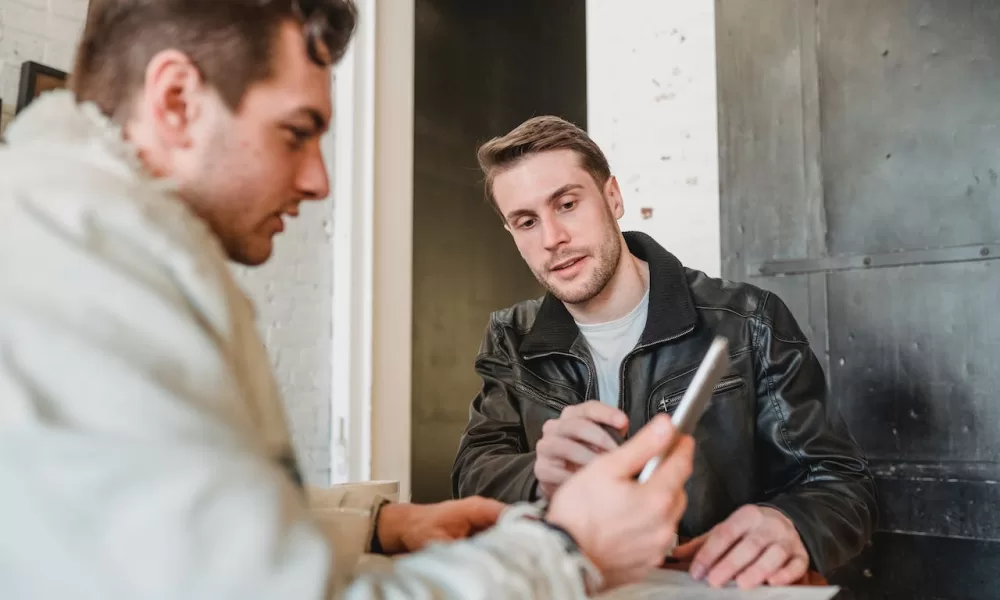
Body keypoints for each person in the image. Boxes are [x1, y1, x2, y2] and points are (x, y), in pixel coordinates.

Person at [0, 1, 696, 598]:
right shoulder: (90, 278)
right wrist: (565, 555)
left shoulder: (76, 231)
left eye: (568, 204)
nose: (319, 180)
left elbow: (170, 535)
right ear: (177, 100)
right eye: (296, 133)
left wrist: (376, 524)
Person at [452, 115, 879, 589]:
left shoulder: (749, 319)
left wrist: (792, 524)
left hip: (710, 586)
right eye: (526, 222)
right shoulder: (511, 336)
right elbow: (473, 475)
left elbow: (839, 482)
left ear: (612, 197)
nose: (552, 238)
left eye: (567, 204)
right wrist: (539, 475)